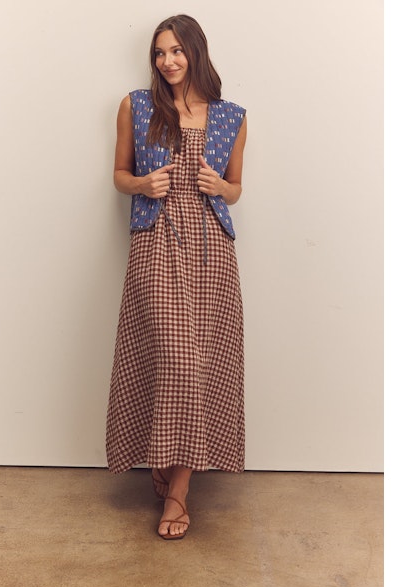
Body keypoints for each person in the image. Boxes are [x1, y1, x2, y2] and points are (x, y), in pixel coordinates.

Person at [106, 14, 247, 540]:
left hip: (212, 251)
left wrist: (222, 188)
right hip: (155, 240)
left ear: (196, 52)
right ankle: (164, 461)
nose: (167, 61)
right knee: (172, 356)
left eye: (176, 51)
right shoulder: (136, 106)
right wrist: (142, 183)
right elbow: (118, 176)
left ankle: (178, 490)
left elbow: (236, 188)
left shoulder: (232, 117)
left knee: (201, 361)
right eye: (159, 53)